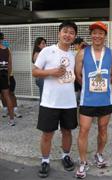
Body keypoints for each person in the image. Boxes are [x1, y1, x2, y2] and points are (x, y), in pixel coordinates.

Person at [32, 21, 78, 178]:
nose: (68, 35)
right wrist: (51, 72)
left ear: (75, 36)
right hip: (49, 102)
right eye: (65, 31)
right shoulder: (47, 51)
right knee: (47, 134)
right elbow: (35, 71)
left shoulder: (74, 56)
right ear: (59, 33)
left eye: (71, 32)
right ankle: (45, 160)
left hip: (69, 102)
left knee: (67, 131)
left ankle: (65, 155)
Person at [75, 21, 112, 179]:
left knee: (103, 129)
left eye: (100, 33)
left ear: (105, 36)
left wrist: (101, 87)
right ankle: (83, 161)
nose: (97, 35)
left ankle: (99, 154)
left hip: (105, 100)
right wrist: (88, 87)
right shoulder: (82, 53)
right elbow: (78, 75)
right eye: (94, 33)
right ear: (91, 35)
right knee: (84, 130)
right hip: (87, 99)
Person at [1, 39, 22, 118]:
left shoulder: (5, 44)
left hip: (9, 75)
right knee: (2, 95)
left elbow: (9, 60)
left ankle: (15, 110)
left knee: (11, 93)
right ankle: (6, 109)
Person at [0, 32, 15, 126]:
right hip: (4, 74)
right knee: (7, 96)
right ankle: (12, 119)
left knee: (6, 96)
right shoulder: (7, 49)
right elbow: (10, 65)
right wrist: (9, 77)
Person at [72, 37, 87, 104]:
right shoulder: (74, 52)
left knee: (82, 89)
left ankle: (81, 102)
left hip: (83, 74)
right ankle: (75, 102)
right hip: (75, 74)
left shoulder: (85, 52)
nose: (74, 46)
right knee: (75, 89)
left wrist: (84, 44)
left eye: (75, 44)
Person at [32, 37, 47, 101]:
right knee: (43, 96)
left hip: (41, 77)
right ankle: (42, 110)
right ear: (38, 45)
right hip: (41, 78)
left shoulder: (40, 53)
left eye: (45, 43)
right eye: (43, 43)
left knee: (44, 95)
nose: (45, 45)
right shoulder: (38, 54)